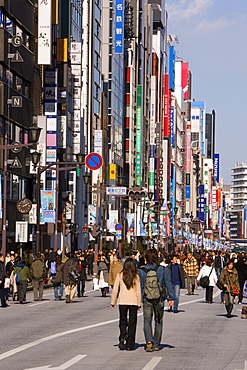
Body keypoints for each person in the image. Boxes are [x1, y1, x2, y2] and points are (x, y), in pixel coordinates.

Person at [138, 249, 174, 352]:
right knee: (158, 321)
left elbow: (140, 286)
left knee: (147, 320)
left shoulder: (142, 271)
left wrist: (141, 298)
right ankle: (157, 344)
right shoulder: (163, 269)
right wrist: (171, 298)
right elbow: (168, 283)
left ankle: (149, 341)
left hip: (147, 299)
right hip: (159, 298)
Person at [111, 258, 141, 351]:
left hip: (122, 301)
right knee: (132, 322)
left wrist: (113, 301)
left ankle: (122, 335)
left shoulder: (120, 275)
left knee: (122, 319)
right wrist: (139, 303)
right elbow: (138, 291)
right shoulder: (136, 276)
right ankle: (130, 344)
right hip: (133, 301)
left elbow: (115, 289)